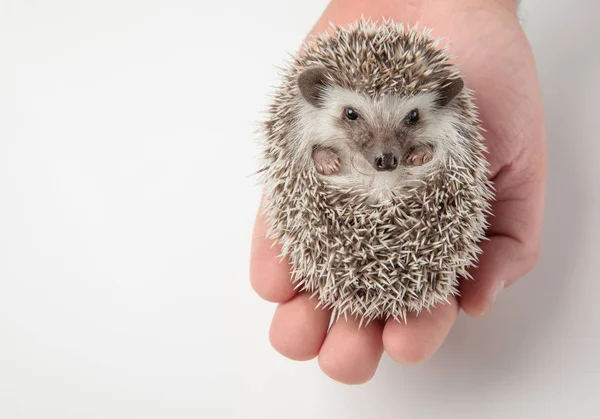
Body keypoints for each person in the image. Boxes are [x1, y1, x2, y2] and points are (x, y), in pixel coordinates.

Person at [250, 0, 546, 385]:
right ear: (315, 95)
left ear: (439, 104)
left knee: (436, 169)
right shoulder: (307, 131)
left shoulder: (447, 137)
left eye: (411, 118)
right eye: (352, 116)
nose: (385, 151)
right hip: (338, 204)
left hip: (421, 205)